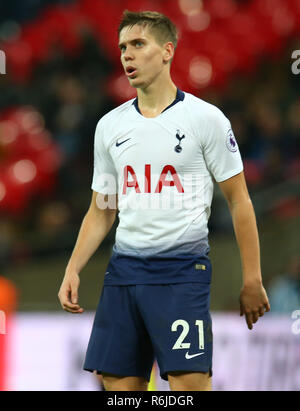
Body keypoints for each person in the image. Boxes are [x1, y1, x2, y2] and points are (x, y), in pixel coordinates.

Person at [58, 10, 270, 391]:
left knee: (188, 387)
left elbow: (240, 202)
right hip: (123, 274)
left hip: (181, 273)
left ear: (168, 51)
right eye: (123, 47)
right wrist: (73, 268)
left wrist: (252, 277)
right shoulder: (109, 126)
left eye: (138, 44)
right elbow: (102, 209)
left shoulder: (205, 119)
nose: (127, 55)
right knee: (119, 387)